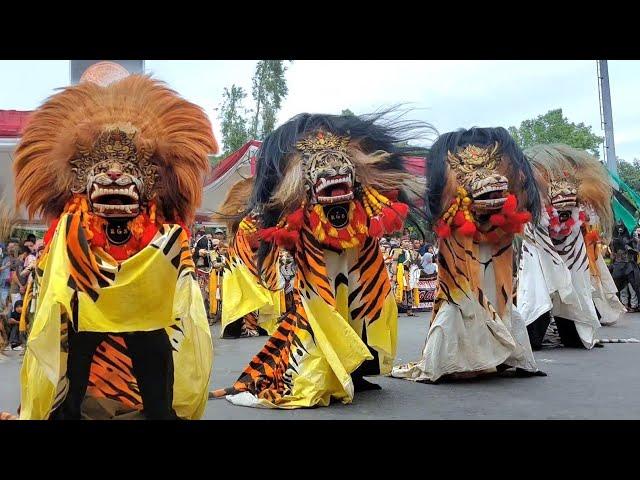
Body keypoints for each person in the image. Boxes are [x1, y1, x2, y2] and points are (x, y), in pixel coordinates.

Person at [4, 74, 215, 421]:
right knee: (77, 358)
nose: (115, 175)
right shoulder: (72, 219)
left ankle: (159, 412)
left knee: (155, 356)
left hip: (141, 310)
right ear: (80, 181)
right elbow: (55, 259)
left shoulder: (157, 220)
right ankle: (68, 410)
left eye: (127, 169)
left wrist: (185, 274)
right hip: (90, 304)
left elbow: (177, 252)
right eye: (102, 169)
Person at [210, 111, 430, 408]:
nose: (332, 171)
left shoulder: (362, 201)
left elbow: (379, 213)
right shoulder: (301, 210)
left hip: (359, 267)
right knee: (321, 318)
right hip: (319, 270)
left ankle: (358, 371)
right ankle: (326, 373)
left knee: (362, 316)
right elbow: (284, 229)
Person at [392, 127, 545, 383]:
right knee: (460, 303)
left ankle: (509, 356)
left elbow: (519, 195)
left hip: (496, 246)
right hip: (460, 251)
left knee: (501, 300)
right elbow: (438, 205)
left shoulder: (504, 181)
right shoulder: (450, 200)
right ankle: (450, 361)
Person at [518, 145, 619, 351]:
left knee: (577, 288)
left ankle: (575, 333)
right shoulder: (535, 201)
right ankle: (531, 336)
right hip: (539, 246)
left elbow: (581, 215)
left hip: (571, 249)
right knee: (537, 288)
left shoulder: (575, 212)